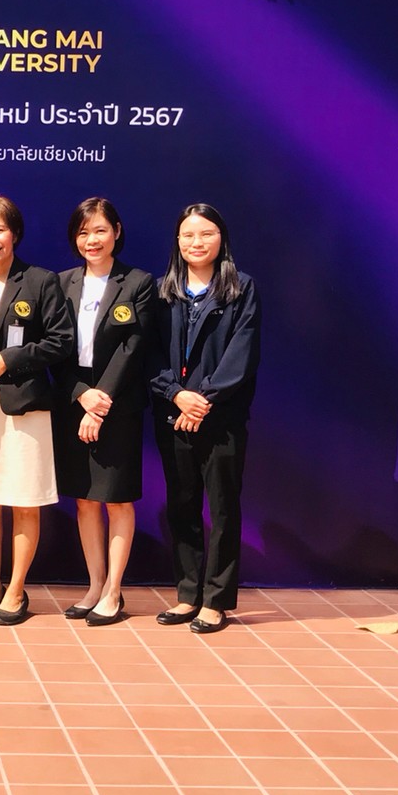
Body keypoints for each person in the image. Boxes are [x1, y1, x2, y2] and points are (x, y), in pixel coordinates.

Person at [0, 195, 74, 626]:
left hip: (25, 408)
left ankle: (16, 590)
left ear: (15, 233)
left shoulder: (40, 281)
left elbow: (61, 341)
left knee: (24, 501)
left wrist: (12, 358)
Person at [150, 203, 261, 635]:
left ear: (221, 239)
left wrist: (204, 400)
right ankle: (187, 594)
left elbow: (242, 355)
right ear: (177, 242)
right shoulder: (162, 291)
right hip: (174, 414)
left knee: (223, 508)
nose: (196, 242)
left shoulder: (241, 288)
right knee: (181, 506)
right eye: (188, 235)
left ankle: (216, 601)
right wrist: (177, 395)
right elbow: (150, 354)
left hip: (221, 418)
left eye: (206, 234)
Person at [52, 198, 156, 627]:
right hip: (74, 401)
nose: (91, 240)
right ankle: (94, 585)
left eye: (99, 230)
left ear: (116, 231)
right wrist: (81, 396)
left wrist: (100, 403)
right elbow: (55, 348)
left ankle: (114, 591)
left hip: (118, 405)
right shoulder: (62, 283)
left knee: (116, 499)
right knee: (84, 500)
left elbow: (134, 348)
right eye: (83, 232)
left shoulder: (138, 282)